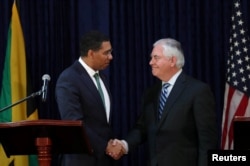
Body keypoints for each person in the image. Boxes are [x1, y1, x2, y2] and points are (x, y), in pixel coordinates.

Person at [108, 38, 219, 166]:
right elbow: (143, 128)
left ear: (172, 61)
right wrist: (124, 145)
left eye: (156, 58)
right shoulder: (151, 93)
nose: (151, 62)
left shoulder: (198, 91)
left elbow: (207, 142)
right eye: (151, 58)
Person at [55, 30, 123, 166]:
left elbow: (101, 122)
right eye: (106, 53)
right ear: (91, 53)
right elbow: (73, 122)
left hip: (103, 159)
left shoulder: (101, 77)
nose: (111, 57)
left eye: (110, 52)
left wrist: (112, 144)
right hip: (80, 160)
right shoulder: (69, 79)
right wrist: (105, 145)